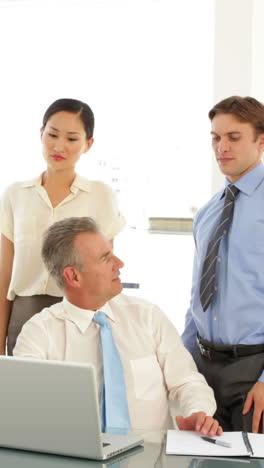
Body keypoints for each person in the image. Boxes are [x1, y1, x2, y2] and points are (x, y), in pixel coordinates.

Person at [14, 216, 222, 435]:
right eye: (106, 258)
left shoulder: (147, 316)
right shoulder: (39, 333)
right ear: (73, 276)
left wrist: (198, 413)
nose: (119, 264)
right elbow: (23, 409)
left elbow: (187, 382)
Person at [0, 98, 125, 356]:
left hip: (81, 318)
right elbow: (3, 280)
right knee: (21, 395)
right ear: (41, 134)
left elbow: (106, 275)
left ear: (88, 144)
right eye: (53, 134)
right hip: (23, 315)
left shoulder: (101, 195)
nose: (59, 146)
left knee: (77, 394)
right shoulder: (16, 195)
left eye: (71, 139)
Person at [182, 96, 264, 433]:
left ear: (261, 140)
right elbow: (197, 298)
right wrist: (181, 367)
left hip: (253, 371)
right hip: (202, 371)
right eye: (216, 138)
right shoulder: (207, 212)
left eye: (234, 137)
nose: (222, 147)